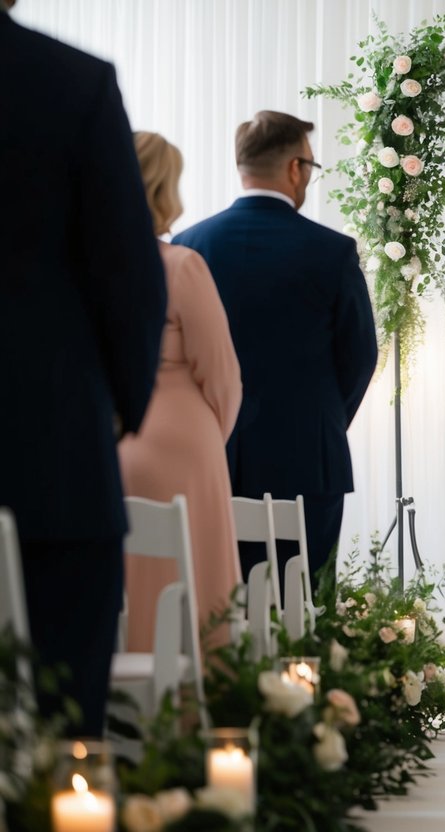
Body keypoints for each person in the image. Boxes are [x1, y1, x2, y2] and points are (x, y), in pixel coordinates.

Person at [0, 4, 166, 734]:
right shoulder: (72, 82)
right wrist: (119, 410)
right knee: (61, 723)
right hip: (47, 453)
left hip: (52, 448)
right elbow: (127, 277)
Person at [174, 111, 377, 589]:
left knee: (216, 601)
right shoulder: (333, 251)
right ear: (294, 168)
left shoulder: (189, 245)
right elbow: (360, 358)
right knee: (299, 605)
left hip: (211, 456)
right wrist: (322, 419)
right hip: (309, 459)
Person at [120, 132, 242, 653]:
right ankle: (199, 711)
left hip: (112, 440)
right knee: (199, 578)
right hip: (185, 445)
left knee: (124, 577)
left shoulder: (80, 267)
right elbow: (221, 375)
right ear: (165, 189)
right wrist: (211, 439)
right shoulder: (180, 266)